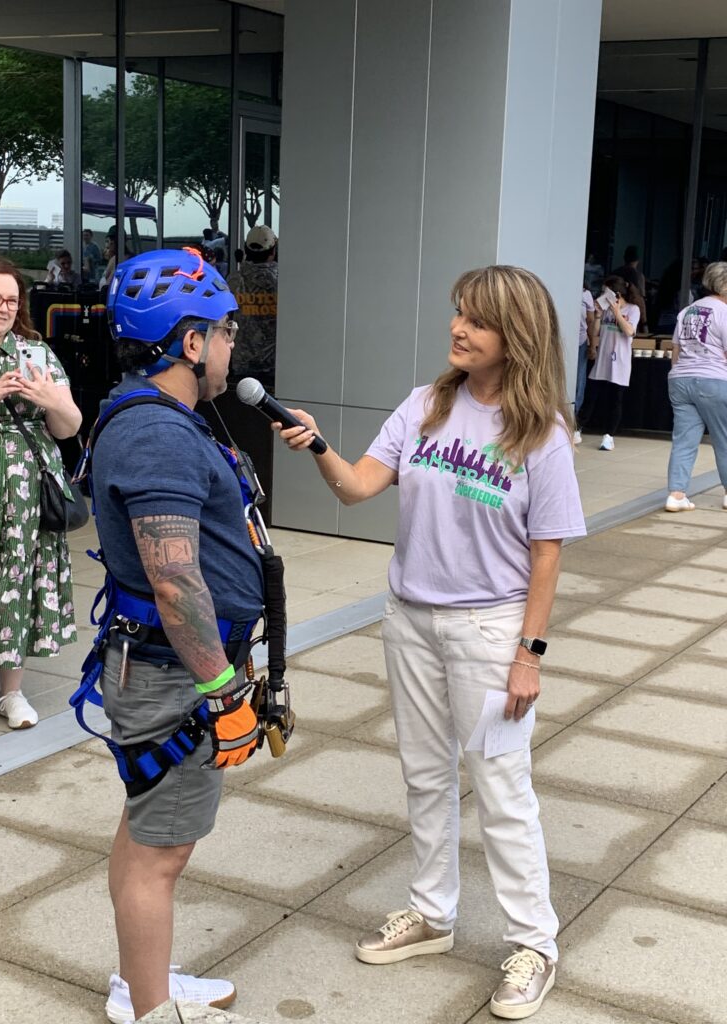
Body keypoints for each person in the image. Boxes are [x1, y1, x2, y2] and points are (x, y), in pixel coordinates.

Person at [274, 264, 586, 1020]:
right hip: (409, 619)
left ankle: (534, 944)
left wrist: (528, 656)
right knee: (424, 775)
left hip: (491, 629)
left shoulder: (540, 434)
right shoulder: (424, 406)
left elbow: (548, 551)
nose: (458, 329)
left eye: (476, 321)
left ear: (516, 336)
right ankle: (433, 916)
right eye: (457, 315)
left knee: (503, 788)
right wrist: (318, 446)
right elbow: (356, 487)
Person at [92, 248, 263, 1022]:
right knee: (162, 854)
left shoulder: (154, 418)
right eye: (225, 331)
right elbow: (174, 579)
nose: (233, 346)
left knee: (146, 831)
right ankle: (150, 1009)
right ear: (190, 343)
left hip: (163, 669)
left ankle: (141, 982)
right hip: (173, 676)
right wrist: (221, 688)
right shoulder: (158, 435)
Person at [0, 255, 81, 727]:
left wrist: (53, 402)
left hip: (24, 493)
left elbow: (69, 427)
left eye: (12, 300)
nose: (4, 307)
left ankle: (11, 694)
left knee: (15, 578)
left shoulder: (35, 352)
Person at [665, 261, 727, 513]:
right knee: (723, 438)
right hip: (714, 379)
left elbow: (676, 350)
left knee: (684, 440)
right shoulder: (724, 312)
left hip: (680, 380)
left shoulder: (687, 311)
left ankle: (676, 494)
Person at [578, 275, 640, 451]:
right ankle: (577, 429)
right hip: (603, 357)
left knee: (615, 399)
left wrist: (617, 312)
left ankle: (608, 436)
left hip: (620, 360)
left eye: (606, 293)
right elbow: (596, 332)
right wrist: (598, 316)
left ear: (616, 294)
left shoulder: (633, 309)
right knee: (592, 395)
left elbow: (629, 331)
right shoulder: (605, 310)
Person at [226, 224, 278, 381]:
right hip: (276, 366)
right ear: (273, 251)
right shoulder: (284, 281)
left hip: (242, 365)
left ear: (246, 251)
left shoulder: (234, 280)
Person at [573, 283, 597, 444]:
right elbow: (590, 319)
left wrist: (592, 344)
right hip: (567, 339)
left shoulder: (585, 294)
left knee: (579, 383)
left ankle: (575, 422)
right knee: (577, 382)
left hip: (580, 341)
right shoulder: (584, 294)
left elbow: (591, 320)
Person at [612, 246, 647, 332]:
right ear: (638, 260)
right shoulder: (638, 276)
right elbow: (640, 301)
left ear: (624, 258)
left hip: (612, 311)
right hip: (631, 318)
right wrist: (645, 324)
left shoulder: (615, 273)